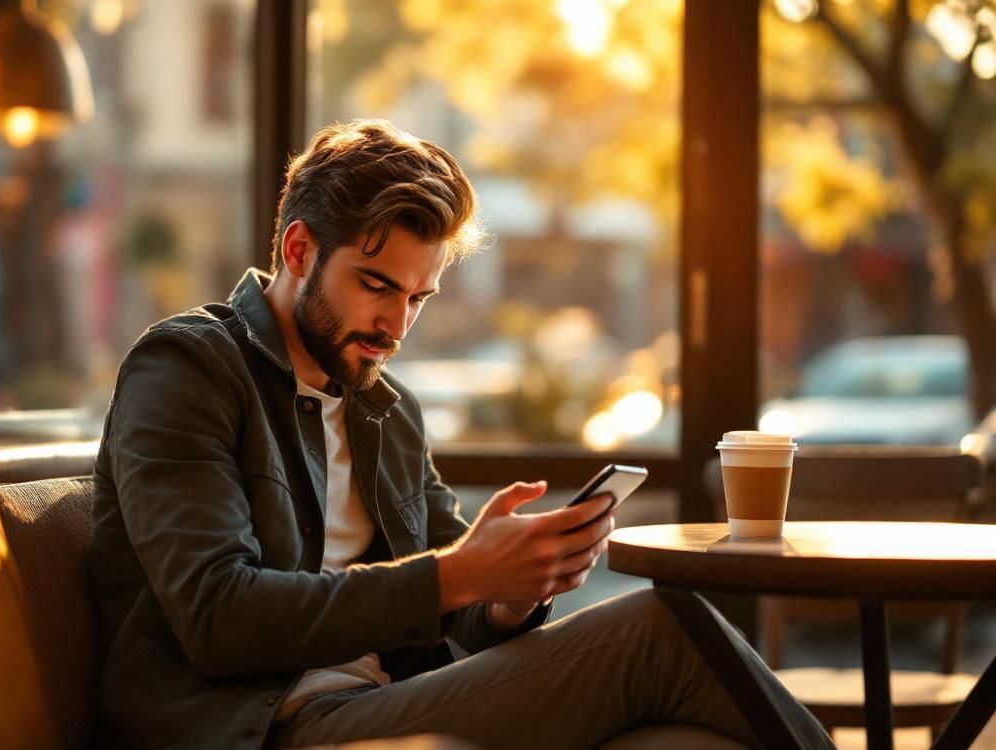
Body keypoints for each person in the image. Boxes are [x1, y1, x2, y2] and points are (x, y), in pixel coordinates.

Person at [88, 119, 832, 750]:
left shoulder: (386, 409)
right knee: (662, 629)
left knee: (687, 742)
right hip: (260, 726)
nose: (396, 325)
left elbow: (461, 612)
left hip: (384, 700)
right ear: (297, 251)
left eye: (418, 296)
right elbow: (218, 618)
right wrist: (461, 573)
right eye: (377, 285)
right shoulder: (188, 368)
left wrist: (512, 592)